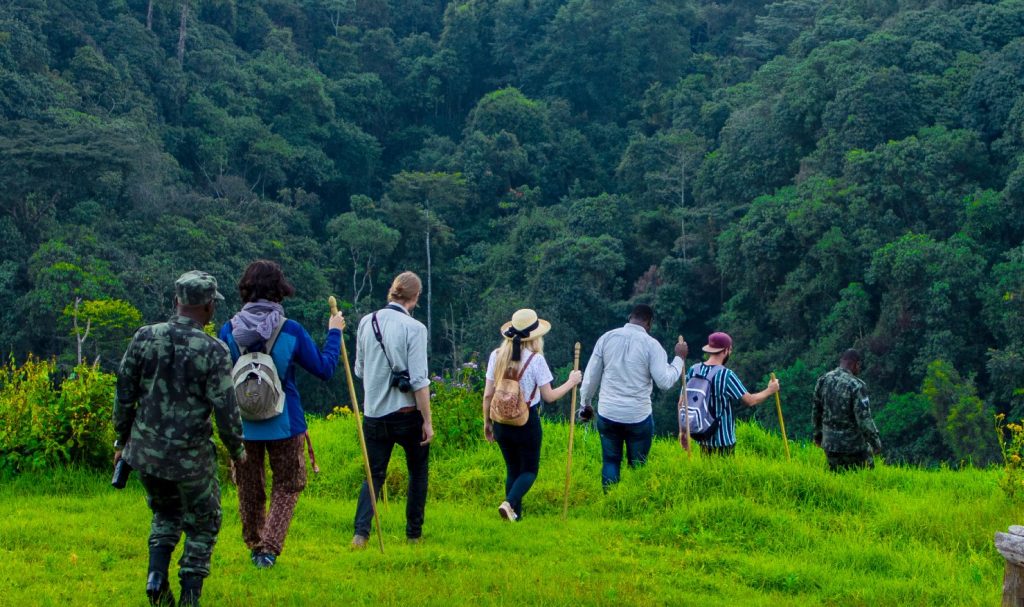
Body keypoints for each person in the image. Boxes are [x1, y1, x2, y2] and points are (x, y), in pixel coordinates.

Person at [114, 270, 245, 607]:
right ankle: (189, 596)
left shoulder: (145, 337)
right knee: (204, 523)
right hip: (191, 460)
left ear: (177, 302)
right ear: (208, 308)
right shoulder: (213, 350)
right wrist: (237, 451)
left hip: (145, 454)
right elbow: (226, 409)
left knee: (165, 513)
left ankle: (156, 577)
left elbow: (124, 391)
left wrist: (121, 441)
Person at [218, 260, 343, 568]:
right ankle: (269, 550)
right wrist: (335, 333)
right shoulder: (291, 331)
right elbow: (325, 369)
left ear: (246, 289)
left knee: (248, 486)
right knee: (287, 485)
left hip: (243, 423)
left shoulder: (228, 330)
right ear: (280, 291)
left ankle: (255, 544)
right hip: (286, 423)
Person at [351, 271, 434, 547]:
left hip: (373, 413)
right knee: (418, 471)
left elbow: (360, 370)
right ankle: (413, 535)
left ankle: (360, 534)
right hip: (406, 414)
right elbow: (420, 381)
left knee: (373, 474)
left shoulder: (367, 322)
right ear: (416, 297)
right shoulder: (415, 329)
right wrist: (427, 421)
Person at [482, 309, 582, 521]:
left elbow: (488, 394)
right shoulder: (536, 360)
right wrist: (571, 382)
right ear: (535, 337)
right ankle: (509, 504)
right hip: (526, 422)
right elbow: (549, 396)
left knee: (512, 468)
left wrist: (487, 423)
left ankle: (514, 515)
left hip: (500, 421)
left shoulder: (496, 356)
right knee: (529, 470)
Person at [579, 304, 688, 489]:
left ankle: (611, 503)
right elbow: (665, 382)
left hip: (608, 412)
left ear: (630, 317)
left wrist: (586, 404)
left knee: (610, 461)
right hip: (638, 416)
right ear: (649, 323)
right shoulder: (652, 345)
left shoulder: (606, 338)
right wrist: (679, 358)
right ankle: (632, 504)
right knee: (638, 466)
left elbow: (591, 378)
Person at [685, 331, 780, 455]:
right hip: (723, 441)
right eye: (730, 350)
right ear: (726, 350)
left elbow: (684, 399)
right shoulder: (726, 375)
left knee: (707, 473)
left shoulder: (694, 369)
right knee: (726, 473)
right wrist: (770, 390)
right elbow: (750, 401)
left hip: (701, 436)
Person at [812, 349, 882, 471]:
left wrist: (818, 436)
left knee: (836, 479)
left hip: (830, 444)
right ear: (856, 364)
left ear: (841, 362)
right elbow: (864, 419)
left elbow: (816, 412)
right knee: (866, 479)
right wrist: (876, 443)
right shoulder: (857, 385)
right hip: (853, 447)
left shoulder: (823, 380)